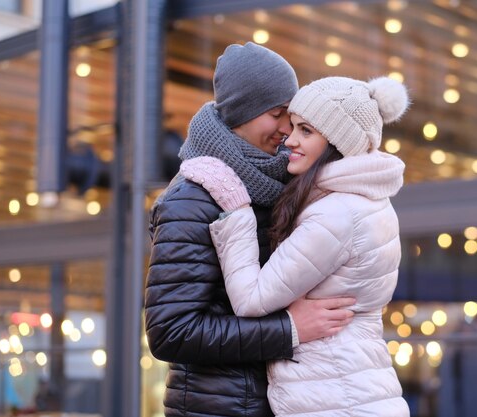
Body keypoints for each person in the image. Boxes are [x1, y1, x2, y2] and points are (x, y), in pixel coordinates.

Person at [144, 43, 355, 417]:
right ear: (243, 111)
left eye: (291, 117)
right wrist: (289, 329)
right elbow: (171, 331)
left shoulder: (278, 185)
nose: (286, 129)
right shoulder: (191, 199)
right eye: (277, 114)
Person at [180, 75, 412, 416]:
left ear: (337, 141)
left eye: (306, 130)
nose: (290, 140)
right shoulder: (366, 201)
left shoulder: (335, 214)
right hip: (352, 390)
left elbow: (251, 298)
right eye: (292, 127)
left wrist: (236, 210)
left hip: (334, 398)